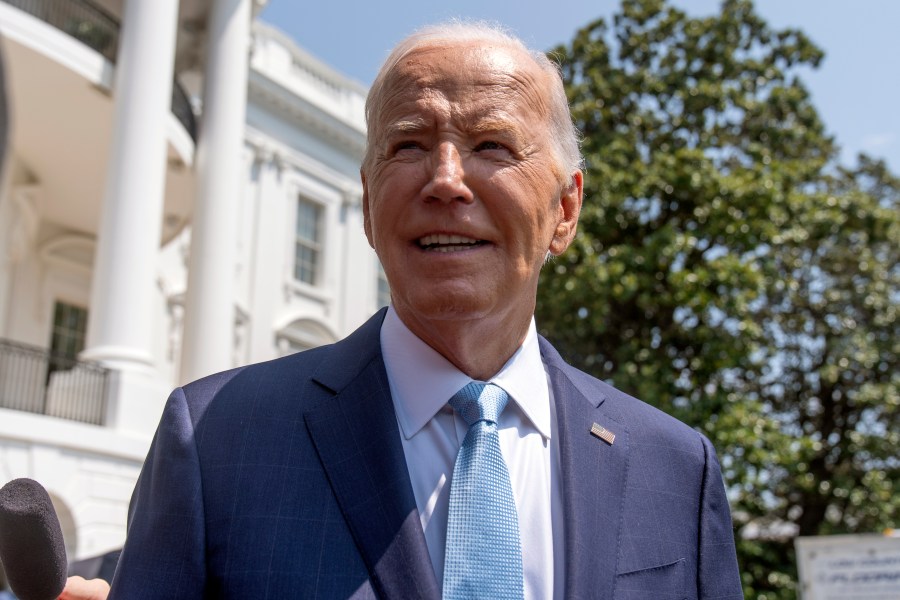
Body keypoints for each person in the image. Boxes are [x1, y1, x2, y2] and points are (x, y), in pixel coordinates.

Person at [91, 21, 742, 599]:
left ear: (564, 211)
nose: (446, 180)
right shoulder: (215, 441)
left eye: (492, 145)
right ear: (369, 203)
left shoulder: (675, 469)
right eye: (408, 145)